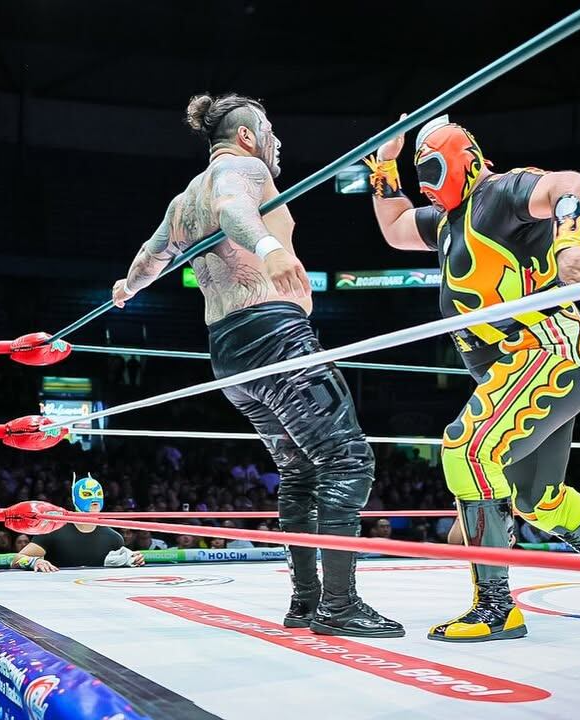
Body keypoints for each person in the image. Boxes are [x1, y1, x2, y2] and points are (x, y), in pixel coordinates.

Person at [366, 115, 580, 642]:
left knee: (465, 449)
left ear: (465, 157)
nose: (429, 185)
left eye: (433, 167)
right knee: (540, 499)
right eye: (421, 175)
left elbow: (572, 185)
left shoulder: (501, 194)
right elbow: (394, 229)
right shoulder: (446, 220)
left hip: (546, 351)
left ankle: (495, 609)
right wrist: (387, 164)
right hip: (521, 366)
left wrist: (571, 242)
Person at [110, 93, 401, 638]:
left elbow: (150, 260)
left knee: (300, 470)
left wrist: (128, 288)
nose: (277, 140)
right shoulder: (240, 169)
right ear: (247, 136)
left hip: (228, 349)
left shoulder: (180, 202)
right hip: (273, 336)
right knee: (348, 462)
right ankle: (339, 606)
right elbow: (231, 209)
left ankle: (305, 604)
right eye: (270, 129)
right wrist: (269, 247)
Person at [12, 476, 145, 572]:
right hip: (58, 597)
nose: (94, 498)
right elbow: (16, 560)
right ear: (76, 499)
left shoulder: (114, 538)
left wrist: (132, 560)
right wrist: (34, 561)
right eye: (87, 494)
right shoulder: (54, 531)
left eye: (98, 493)